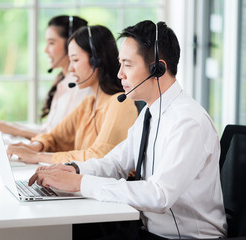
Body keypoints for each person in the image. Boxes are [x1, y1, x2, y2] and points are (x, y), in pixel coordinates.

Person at [27, 20, 227, 239]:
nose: (120, 74)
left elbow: (159, 195)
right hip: (147, 231)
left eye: (128, 65)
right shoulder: (149, 113)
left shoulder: (188, 122)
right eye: (120, 64)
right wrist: (74, 170)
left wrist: (81, 183)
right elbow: (116, 163)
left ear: (157, 69)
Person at [6, 25, 138, 164]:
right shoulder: (89, 103)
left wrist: (37, 157)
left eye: (75, 60)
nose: (70, 68)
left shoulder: (120, 103)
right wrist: (34, 146)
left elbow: (99, 157)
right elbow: (54, 137)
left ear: (96, 60)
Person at [0, 15, 92, 139]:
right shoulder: (62, 80)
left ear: (71, 43)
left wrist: (12, 129)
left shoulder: (81, 85)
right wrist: (7, 126)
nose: (46, 50)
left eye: (51, 43)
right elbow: (47, 129)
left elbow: (60, 138)